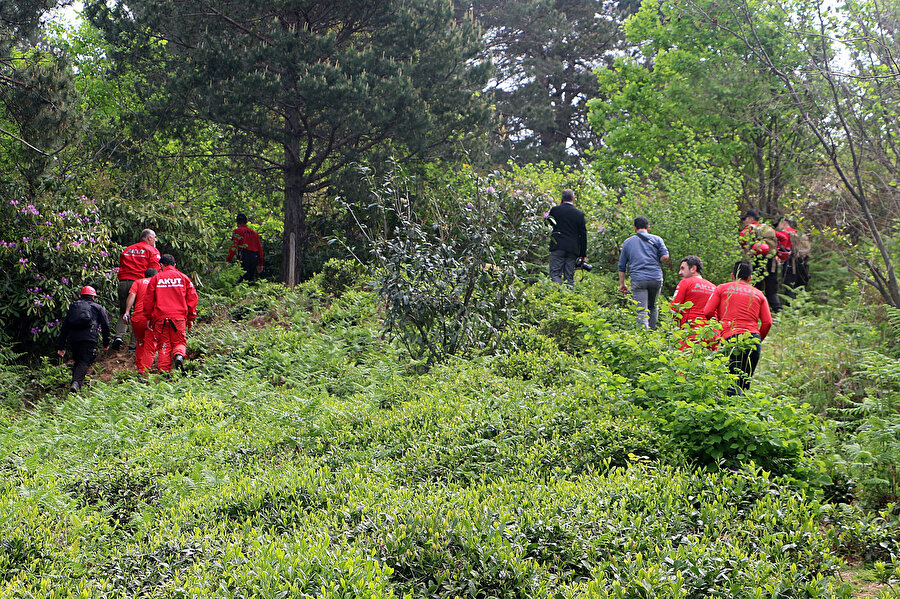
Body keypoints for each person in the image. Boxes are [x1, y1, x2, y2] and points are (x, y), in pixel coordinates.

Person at [703, 260, 773, 395]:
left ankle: (732, 412)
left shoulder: (722, 288)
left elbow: (707, 312)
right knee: (744, 383)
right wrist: (758, 339)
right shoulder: (758, 294)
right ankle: (744, 411)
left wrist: (720, 327)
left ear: (732, 276)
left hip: (731, 337)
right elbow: (767, 322)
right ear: (750, 278)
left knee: (731, 383)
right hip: (753, 339)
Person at [142, 254, 198, 372]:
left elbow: (148, 300)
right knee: (179, 341)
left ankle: (164, 372)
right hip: (179, 318)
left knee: (164, 345)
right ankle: (178, 355)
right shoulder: (183, 278)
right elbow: (193, 297)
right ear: (175, 265)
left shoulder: (155, 279)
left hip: (160, 318)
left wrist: (148, 318)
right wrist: (191, 317)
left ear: (161, 265)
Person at [618, 216, 671, 329]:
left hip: (639, 279)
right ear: (648, 227)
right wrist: (660, 260)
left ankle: (644, 337)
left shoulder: (628, 242)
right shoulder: (657, 239)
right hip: (656, 278)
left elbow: (622, 266)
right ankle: (652, 334)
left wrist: (622, 284)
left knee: (642, 310)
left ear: (634, 228)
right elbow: (665, 256)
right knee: (653, 306)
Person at [112, 229, 161, 350]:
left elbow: (121, 264)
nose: (155, 239)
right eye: (154, 237)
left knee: (124, 311)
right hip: (139, 284)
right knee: (139, 312)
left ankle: (119, 337)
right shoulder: (152, 250)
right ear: (149, 238)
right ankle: (134, 344)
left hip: (123, 282)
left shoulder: (128, 249)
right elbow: (155, 271)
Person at [56, 286, 111, 393]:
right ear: (93, 297)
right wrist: (106, 343)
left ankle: (74, 386)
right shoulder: (97, 307)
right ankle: (76, 383)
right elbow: (106, 326)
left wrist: (61, 346)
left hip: (73, 338)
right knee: (85, 361)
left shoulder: (73, 307)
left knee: (77, 361)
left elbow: (65, 327)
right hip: (89, 338)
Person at [739, 210, 781, 313]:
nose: (744, 221)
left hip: (757, 261)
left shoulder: (749, 229)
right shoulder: (767, 228)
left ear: (751, 219)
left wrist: (747, 251)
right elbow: (782, 237)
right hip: (771, 262)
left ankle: (755, 312)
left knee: (756, 287)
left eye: (745, 219)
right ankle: (778, 311)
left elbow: (742, 240)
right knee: (771, 289)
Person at [546, 189, 587, 289]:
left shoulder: (555, 210)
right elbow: (583, 235)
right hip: (572, 249)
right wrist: (583, 254)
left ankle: (557, 296)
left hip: (557, 246)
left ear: (562, 198)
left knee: (555, 273)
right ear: (573, 198)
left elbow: (548, 224)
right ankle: (568, 298)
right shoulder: (579, 214)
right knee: (569, 276)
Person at [122, 268, 158, 374]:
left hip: (137, 319)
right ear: (155, 275)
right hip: (150, 318)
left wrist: (127, 312)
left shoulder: (138, 282)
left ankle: (139, 364)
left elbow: (132, 296)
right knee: (150, 345)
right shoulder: (157, 283)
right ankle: (143, 371)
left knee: (140, 342)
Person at [671, 255, 716, 332]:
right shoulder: (714, 287)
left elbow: (675, 307)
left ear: (693, 269)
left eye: (682, 268)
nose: (680, 272)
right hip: (710, 331)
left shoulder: (685, 282)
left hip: (690, 329)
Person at [775, 217, 810, 297]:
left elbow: (779, 250)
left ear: (783, 222)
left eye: (778, 224)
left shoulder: (783, 234)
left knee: (789, 287)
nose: (777, 227)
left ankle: (790, 307)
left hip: (789, 265)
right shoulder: (798, 233)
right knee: (800, 287)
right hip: (802, 264)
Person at [226, 214, 264, 283]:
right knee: (250, 279)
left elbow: (234, 246)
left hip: (244, 255)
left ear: (237, 222)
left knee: (241, 279)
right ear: (246, 222)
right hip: (255, 257)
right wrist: (260, 263)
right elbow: (260, 248)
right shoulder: (254, 233)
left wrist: (228, 259)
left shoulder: (237, 231)